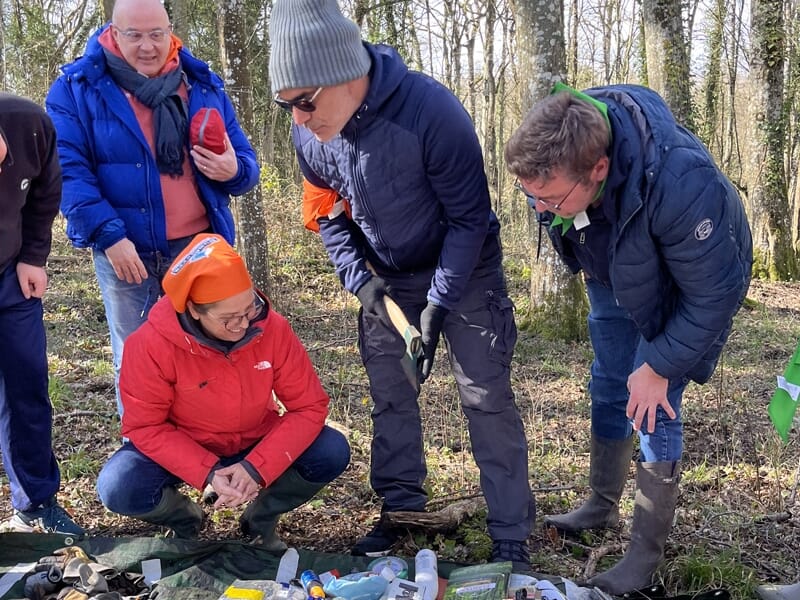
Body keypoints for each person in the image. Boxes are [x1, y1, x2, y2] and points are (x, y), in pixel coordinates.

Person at [268, 0, 535, 569]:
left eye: (305, 103)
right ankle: (401, 509)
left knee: (485, 398)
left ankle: (511, 533)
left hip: (463, 269)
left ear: (343, 72)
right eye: (284, 105)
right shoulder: (311, 136)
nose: (298, 119)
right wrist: (359, 281)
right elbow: (326, 213)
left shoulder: (432, 112)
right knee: (391, 395)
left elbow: (469, 220)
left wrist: (440, 301)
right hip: (383, 279)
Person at [505, 83, 753, 594]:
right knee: (610, 381)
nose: (538, 208)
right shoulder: (570, 137)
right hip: (611, 262)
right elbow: (562, 210)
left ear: (598, 169)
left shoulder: (682, 183)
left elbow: (713, 294)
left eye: (549, 198)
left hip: (686, 279)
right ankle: (601, 503)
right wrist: (563, 215)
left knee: (650, 401)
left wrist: (660, 366)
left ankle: (643, 555)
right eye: (531, 194)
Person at [45, 0, 260, 414]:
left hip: (200, 248)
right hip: (127, 252)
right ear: (113, 32)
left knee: (207, 353)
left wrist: (234, 169)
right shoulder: (76, 88)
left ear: (170, 31)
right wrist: (109, 236)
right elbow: (68, 173)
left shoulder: (200, 83)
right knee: (138, 358)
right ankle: (145, 461)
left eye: (156, 34)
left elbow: (246, 167)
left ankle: (208, 454)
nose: (148, 46)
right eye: (135, 35)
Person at [96, 233, 350, 546]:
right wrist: (207, 472)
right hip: (187, 444)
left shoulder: (272, 328)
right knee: (119, 485)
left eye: (249, 309)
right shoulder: (149, 345)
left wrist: (257, 467)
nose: (243, 325)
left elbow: (309, 406)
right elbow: (145, 425)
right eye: (229, 319)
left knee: (331, 450)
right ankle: (187, 519)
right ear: (193, 310)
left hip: (254, 438)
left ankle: (261, 519)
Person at [0, 93, 84, 535]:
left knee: (25, 388)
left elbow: (48, 190)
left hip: (10, 276)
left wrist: (33, 254)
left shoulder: (27, 122)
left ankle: (34, 502)